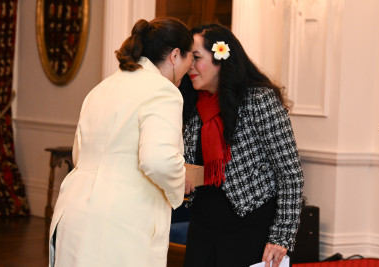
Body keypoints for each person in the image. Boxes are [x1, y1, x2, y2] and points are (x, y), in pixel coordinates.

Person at [48, 17, 194, 267]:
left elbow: (78, 154)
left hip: (74, 212)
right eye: (191, 58)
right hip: (119, 223)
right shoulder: (163, 91)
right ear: (175, 55)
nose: (190, 69)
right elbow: (157, 160)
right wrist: (179, 184)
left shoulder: (102, 87)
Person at [179, 23, 304, 267]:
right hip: (202, 230)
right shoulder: (193, 105)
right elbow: (193, 165)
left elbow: (290, 174)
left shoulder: (259, 100)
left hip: (250, 233)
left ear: (221, 58)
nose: (189, 67)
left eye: (196, 58)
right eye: (187, 59)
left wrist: (281, 237)